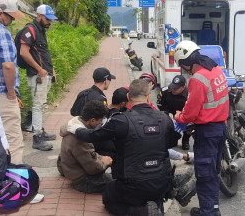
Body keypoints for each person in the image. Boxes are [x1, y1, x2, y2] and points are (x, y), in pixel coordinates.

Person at [69, 79, 175, 215]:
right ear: (148, 97)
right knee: (155, 190)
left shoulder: (120, 121)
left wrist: (74, 128)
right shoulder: (165, 118)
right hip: (161, 181)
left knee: (108, 197)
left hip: (132, 185)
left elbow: (92, 136)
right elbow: (171, 144)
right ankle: (169, 191)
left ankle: (144, 211)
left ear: (128, 97)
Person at [174, 41, 229, 216]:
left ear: (188, 61)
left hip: (208, 132)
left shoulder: (197, 80)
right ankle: (212, 208)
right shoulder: (216, 69)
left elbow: (189, 114)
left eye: (183, 65)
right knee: (212, 172)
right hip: (220, 127)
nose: (184, 69)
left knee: (205, 175)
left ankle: (208, 212)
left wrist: (178, 117)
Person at [0, 0, 25, 164]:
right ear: (0, 14)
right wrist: (11, 93)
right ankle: (16, 185)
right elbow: (8, 65)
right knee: (12, 140)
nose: (12, 21)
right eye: (11, 17)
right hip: (1, 94)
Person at [18, 4, 58, 151]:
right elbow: (24, 53)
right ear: (38, 16)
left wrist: (51, 70)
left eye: (51, 19)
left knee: (41, 104)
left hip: (44, 74)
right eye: (47, 19)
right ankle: (37, 138)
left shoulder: (41, 30)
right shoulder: (30, 30)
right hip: (37, 76)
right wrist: (40, 69)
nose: (49, 22)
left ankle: (40, 130)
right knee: (37, 105)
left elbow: (43, 52)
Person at [59, 100, 112, 193]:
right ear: (92, 120)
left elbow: (89, 154)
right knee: (118, 184)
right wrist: (105, 162)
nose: (101, 124)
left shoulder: (75, 123)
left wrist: (100, 157)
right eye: (100, 121)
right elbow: (93, 168)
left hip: (71, 169)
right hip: (83, 180)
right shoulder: (81, 138)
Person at [157, 74, 191, 150]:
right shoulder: (165, 91)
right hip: (170, 111)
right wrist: (168, 114)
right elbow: (160, 104)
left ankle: (185, 140)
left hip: (184, 113)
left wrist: (182, 115)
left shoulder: (190, 94)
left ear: (183, 87)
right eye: (172, 87)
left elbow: (192, 109)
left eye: (176, 89)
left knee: (189, 124)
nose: (173, 89)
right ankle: (173, 137)